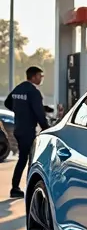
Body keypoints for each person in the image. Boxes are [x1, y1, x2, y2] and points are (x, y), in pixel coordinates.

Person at [4, 66, 49, 199]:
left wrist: (21, 111)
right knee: (29, 159)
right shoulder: (33, 91)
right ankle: (25, 187)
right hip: (28, 130)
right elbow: (39, 113)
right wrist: (46, 128)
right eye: (40, 76)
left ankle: (16, 187)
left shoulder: (19, 88)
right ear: (34, 76)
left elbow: (8, 103)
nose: (41, 78)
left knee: (23, 158)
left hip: (18, 129)